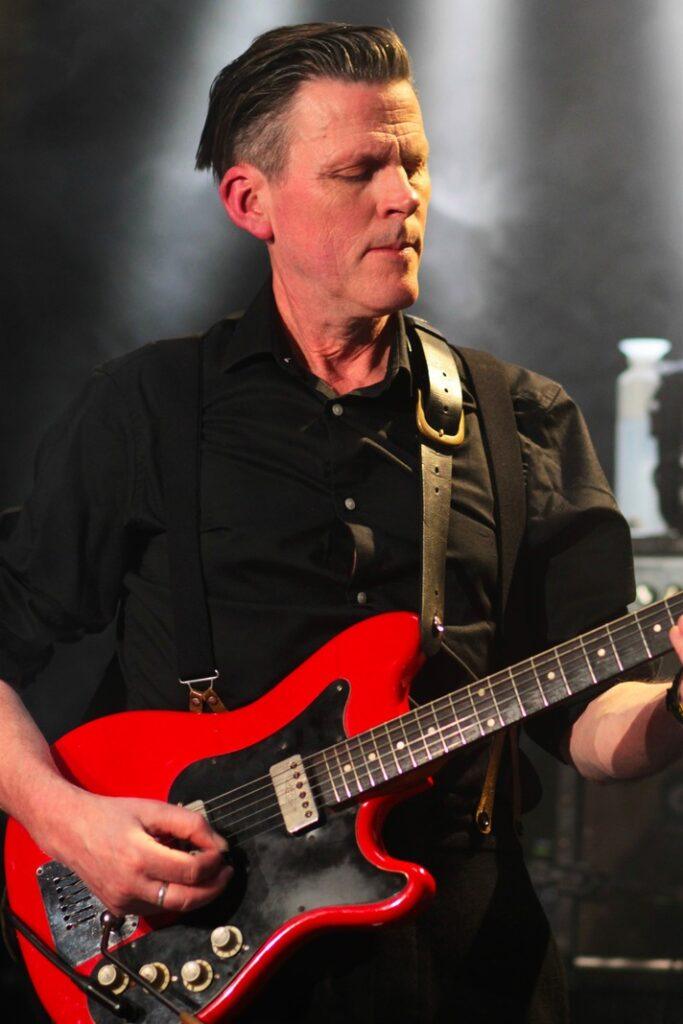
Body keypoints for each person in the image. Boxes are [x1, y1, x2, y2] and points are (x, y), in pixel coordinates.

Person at [1, 21, 682, 1024]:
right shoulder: (147, 408)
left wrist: (673, 705)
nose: (403, 198)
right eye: (357, 170)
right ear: (251, 201)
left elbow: (590, 723)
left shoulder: (518, 418)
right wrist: (66, 821)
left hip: (463, 954)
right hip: (200, 948)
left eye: (411, 164)